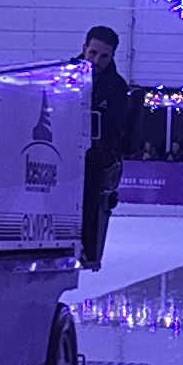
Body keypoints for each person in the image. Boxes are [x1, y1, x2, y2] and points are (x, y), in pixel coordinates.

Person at [76, 24, 137, 271]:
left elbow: (115, 130)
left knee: (90, 177)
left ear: (112, 56)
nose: (97, 60)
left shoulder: (117, 88)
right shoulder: (65, 75)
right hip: (61, 147)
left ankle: (84, 244)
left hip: (94, 154)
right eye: (93, 53)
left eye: (104, 56)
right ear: (84, 49)